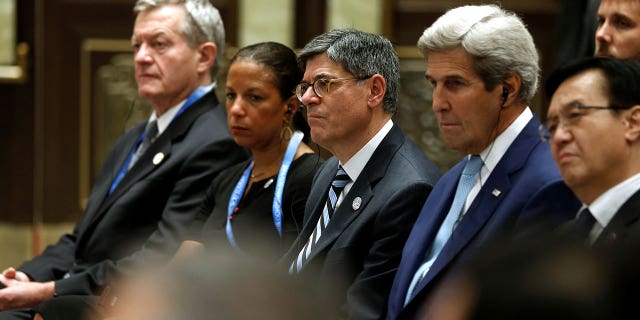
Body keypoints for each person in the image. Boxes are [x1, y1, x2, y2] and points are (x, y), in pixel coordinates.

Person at [0, 0, 247, 318]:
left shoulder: (214, 142)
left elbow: (161, 258)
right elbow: (81, 239)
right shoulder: (137, 136)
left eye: (158, 44)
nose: (142, 57)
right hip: (77, 290)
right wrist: (25, 277)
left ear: (204, 56)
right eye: (137, 45)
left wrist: (47, 290)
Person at [386, 5, 581, 319]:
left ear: (508, 88)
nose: (437, 104)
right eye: (433, 83)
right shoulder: (452, 179)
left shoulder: (550, 182)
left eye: (455, 84)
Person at [281, 28, 441, 319]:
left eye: (324, 84)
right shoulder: (332, 168)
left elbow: (363, 312)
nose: (306, 99)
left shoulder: (409, 190)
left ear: (374, 90)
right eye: (305, 86)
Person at [192, 41, 322, 258]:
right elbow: (185, 261)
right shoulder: (226, 180)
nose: (236, 110)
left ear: (289, 107)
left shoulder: (313, 179)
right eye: (231, 95)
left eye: (254, 98)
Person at [543, 57, 640, 246]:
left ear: (633, 123)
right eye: (552, 126)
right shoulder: (562, 238)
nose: (559, 137)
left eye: (574, 115)